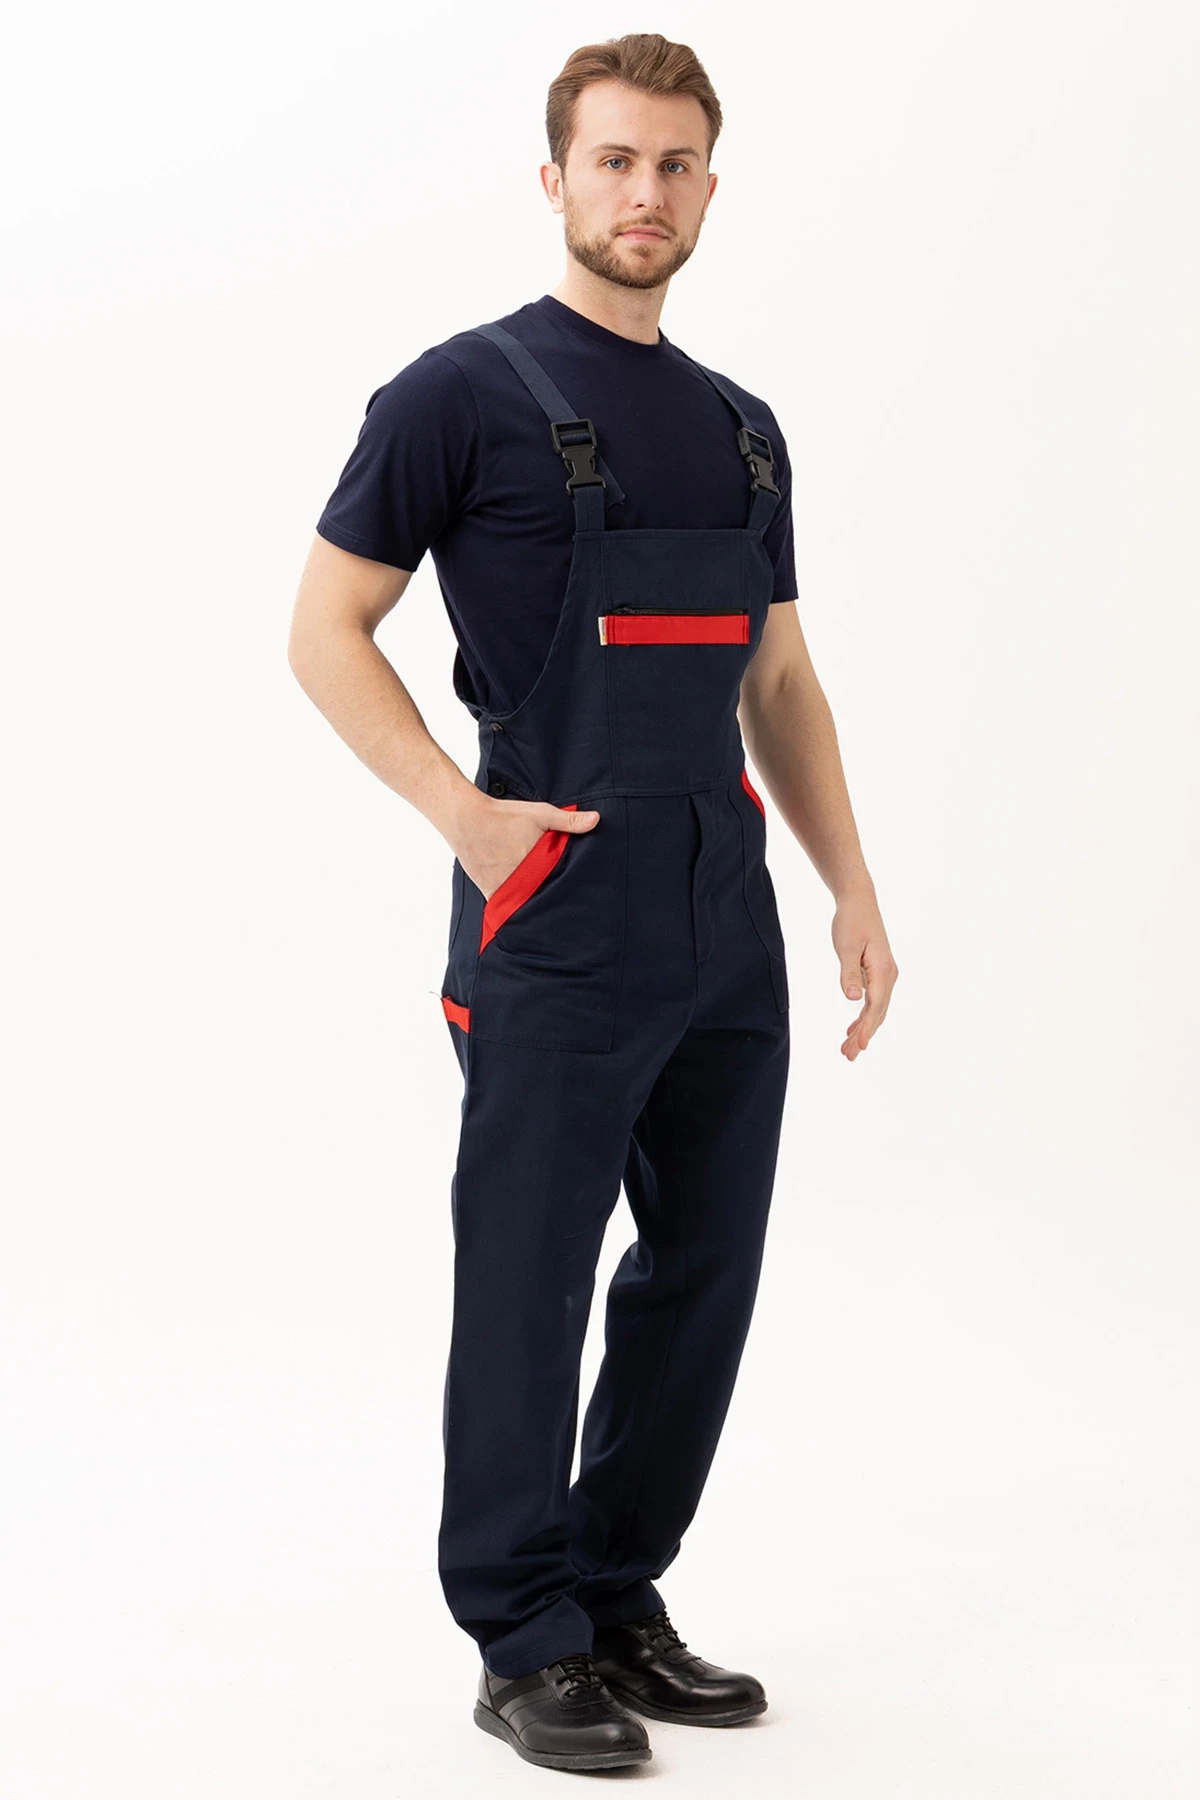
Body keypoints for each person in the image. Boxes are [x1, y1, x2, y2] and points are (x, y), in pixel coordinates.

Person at [288, 31, 898, 1774]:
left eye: (676, 164)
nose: (647, 191)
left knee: (705, 1264)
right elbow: (323, 630)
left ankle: (617, 1590)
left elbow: (778, 680)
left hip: (720, 897)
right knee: (532, 1269)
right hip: (553, 896)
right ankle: (520, 1629)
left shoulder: (742, 430)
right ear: (555, 177)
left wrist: (850, 883)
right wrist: (465, 820)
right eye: (616, 160)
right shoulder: (455, 397)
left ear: (709, 188)